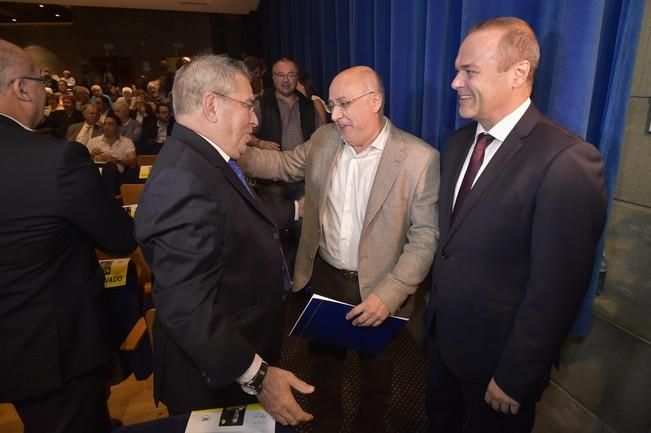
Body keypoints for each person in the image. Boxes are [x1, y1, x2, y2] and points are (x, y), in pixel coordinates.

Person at [425, 17, 607, 433]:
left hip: (500, 369)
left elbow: (558, 287)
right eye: (457, 70)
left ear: (519, 72)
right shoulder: (455, 146)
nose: (455, 82)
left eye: (469, 71)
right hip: (442, 349)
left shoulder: (567, 160)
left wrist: (516, 375)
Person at [239, 65, 439, 433]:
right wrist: (234, 149)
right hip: (325, 279)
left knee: (377, 377)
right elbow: (282, 165)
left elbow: (425, 236)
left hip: (380, 288)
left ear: (375, 101)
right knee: (323, 370)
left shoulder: (419, 158)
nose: (336, 115)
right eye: (332, 105)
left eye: (344, 104)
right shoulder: (325, 139)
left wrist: (391, 294)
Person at [134, 55, 314, 425]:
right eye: (248, 105)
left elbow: (238, 215)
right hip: (213, 377)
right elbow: (187, 307)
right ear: (212, 105)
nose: (255, 118)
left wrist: (296, 210)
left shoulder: (207, 159)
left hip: (236, 350)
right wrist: (258, 376)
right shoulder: (182, 179)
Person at [0, 39, 136, 433]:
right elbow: (120, 238)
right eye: (42, 82)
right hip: (56, 350)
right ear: (21, 88)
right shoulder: (55, 159)